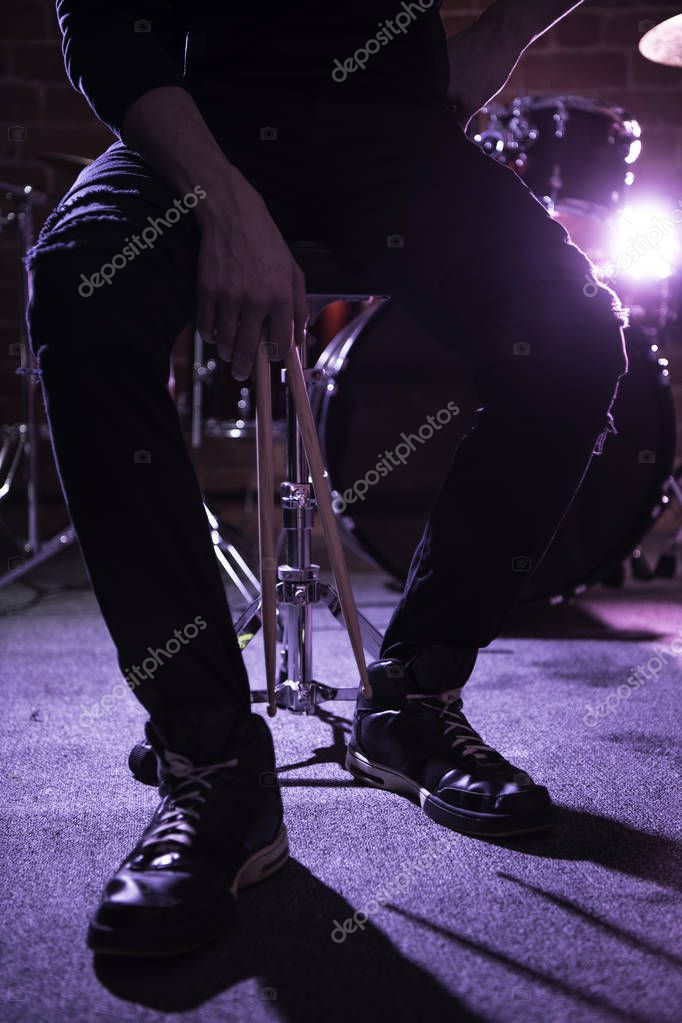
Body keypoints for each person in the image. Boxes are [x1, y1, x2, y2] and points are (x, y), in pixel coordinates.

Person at [26, 0, 627, 957]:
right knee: (79, 282)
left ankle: (412, 699)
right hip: (198, 121)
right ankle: (211, 755)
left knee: (576, 341)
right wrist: (224, 203)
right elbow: (106, 20)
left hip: (388, 130)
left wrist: (502, 32)